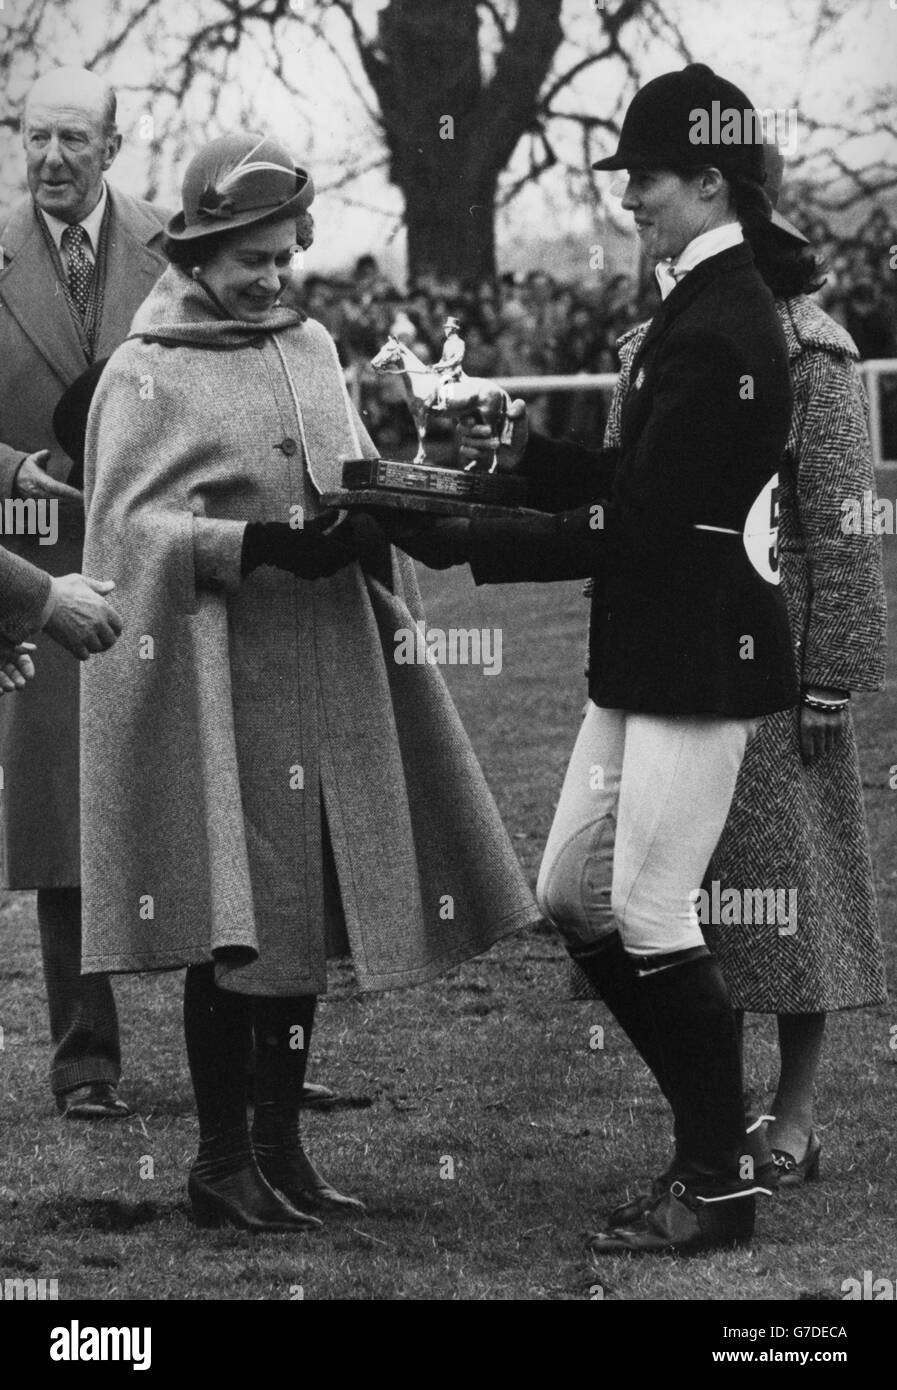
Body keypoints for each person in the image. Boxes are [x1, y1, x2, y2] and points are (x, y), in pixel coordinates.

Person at [80, 133, 540, 1233]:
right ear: (199, 251)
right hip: (222, 684)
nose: (272, 279)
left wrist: (369, 516)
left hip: (328, 676)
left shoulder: (313, 341)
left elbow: (347, 466)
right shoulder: (147, 369)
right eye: (252, 261)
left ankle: (284, 1150)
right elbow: (127, 532)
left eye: (286, 257)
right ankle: (219, 1160)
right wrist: (256, 543)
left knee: (300, 925)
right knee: (232, 922)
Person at [388, 64, 798, 1254]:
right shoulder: (694, 304)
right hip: (653, 649)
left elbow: (656, 521)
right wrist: (500, 463)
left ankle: (715, 1181)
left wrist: (473, 540)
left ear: (712, 182)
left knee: (650, 909)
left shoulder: (726, 316)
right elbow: (633, 475)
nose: (631, 199)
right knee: (574, 893)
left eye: (648, 180)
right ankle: (703, 1144)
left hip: (698, 649)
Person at [0, 67, 167, 1120]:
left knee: (204, 790)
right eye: (34, 137)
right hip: (43, 565)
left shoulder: (177, 247)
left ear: (113, 145)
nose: (52, 157)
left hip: (166, 555)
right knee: (65, 812)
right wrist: (14, 468)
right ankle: (84, 1058)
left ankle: (246, 1043)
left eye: (72, 138)